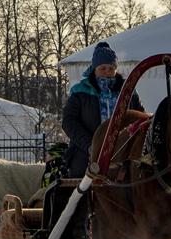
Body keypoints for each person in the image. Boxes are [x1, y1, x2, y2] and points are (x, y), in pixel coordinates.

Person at [62, 41, 144, 179]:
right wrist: (91, 145)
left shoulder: (128, 91)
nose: (107, 72)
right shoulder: (80, 91)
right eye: (103, 68)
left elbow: (140, 117)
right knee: (83, 191)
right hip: (86, 154)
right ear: (94, 69)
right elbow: (69, 122)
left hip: (123, 153)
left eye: (111, 68)